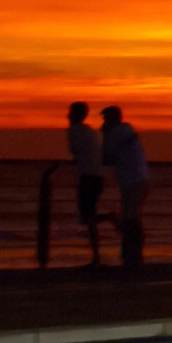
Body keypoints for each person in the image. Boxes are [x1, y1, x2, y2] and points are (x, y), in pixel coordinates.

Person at [100, 105, 150, 268]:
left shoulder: (117, 133)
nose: (104, 123)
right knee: (130, 216)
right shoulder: (126, 130)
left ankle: (133, 252)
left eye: (106, 119)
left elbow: (105, 157)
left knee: (130, 217)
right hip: (135, 179)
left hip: (133, 180)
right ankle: (131, 251)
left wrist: (105, 134)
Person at [67, 102, 106, 266]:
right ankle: (96, 256)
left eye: (71, 112)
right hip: (96, 176)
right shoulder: (91, 132)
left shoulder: (74, 130)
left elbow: (75, 150)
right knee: (88, 217)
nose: (68, 115)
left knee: (87, 218)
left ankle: (96, 257)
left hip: (87, 177)